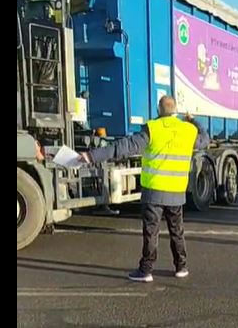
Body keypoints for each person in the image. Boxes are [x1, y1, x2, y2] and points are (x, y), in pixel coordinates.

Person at [79, 96, 210, 282]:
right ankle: (181, 267)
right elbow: (205, 139)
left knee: (151, 232)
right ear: (176, 110)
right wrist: (193, 120)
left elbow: (123, 147)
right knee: (177, 231)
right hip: (177, 193)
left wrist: (92, 156)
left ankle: (146, 270)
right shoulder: (188, 131)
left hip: (154, 192)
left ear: (159, 110)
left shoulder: (152, 129)